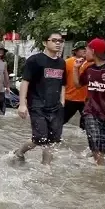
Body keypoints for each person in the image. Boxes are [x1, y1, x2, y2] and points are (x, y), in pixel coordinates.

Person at [14, 32, 66, 165]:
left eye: (60, 40)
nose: (58, 43)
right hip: (37, 105)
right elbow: (25, 82)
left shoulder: (61, 63)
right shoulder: (35, 60)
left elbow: (63, 84)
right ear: (45, 42)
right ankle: (20, 151)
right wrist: (22, 104)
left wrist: (62, 101)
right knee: (40, 138)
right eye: (54, 40)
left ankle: (46, 166)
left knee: (53, 139)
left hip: (55, 106)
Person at [63, 41, 90, 130]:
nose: (84, 50)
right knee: (60, 121)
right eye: (82, 49)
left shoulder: (91, 63)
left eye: (86, 48)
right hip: (70, 98)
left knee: (87, 125)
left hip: (86, 99)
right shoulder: (67, 62)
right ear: (75, 51)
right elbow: (62, 80)